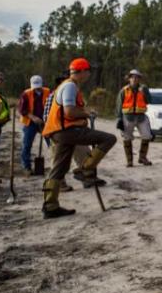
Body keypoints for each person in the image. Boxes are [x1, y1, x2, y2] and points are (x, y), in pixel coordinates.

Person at [41, 58, 117, 218]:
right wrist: (87, 113)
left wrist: (84, 111)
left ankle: (50, 206)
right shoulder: (69, 86)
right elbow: (69, 112)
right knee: (109, 139)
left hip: (60, 132)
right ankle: (85, 170)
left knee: (59, 169)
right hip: (67, 130)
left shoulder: (69, 86)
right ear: (82, 71)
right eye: (88, 71)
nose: (89, 74)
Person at [116, 69, 154, 167]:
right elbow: (119, 105)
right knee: (127, 138)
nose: (134, 79)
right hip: (128, 117)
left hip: (141, 116)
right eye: (132, 77)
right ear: (129, 79)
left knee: (147, 136)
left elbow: (149, 101)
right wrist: (119, 118)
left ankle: (142, 157)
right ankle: (129, 160)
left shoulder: (143, 89)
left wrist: (145, 92)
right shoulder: (124, 90)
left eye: (137, 77)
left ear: (139, 79)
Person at [17, 75, 52, 175]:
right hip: (30, 122)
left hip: (45, 122)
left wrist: (46, 119)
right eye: (35, 86)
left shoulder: (48, 92)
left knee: (53, 143)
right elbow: (22, 110)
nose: (37, 88)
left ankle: (57, 165)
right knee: (27, 145)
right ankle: (27, 167)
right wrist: (33, 117)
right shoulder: (26, 94)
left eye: (39, 86)